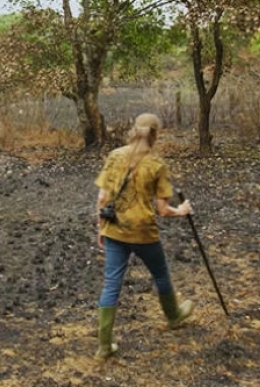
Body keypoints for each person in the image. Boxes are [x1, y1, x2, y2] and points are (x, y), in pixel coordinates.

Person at [93, 113, 194, 361]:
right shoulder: (156, 164)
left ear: (133, 130)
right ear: (155, 134)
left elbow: (102, 199)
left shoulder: (115, 156)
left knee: (111, 283)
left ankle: (104, 346)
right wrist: (181, 211)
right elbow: (162, 209)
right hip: (144, 234)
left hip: (115, 230)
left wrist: (101, 228)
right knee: (160, 274)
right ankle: (173, 316)